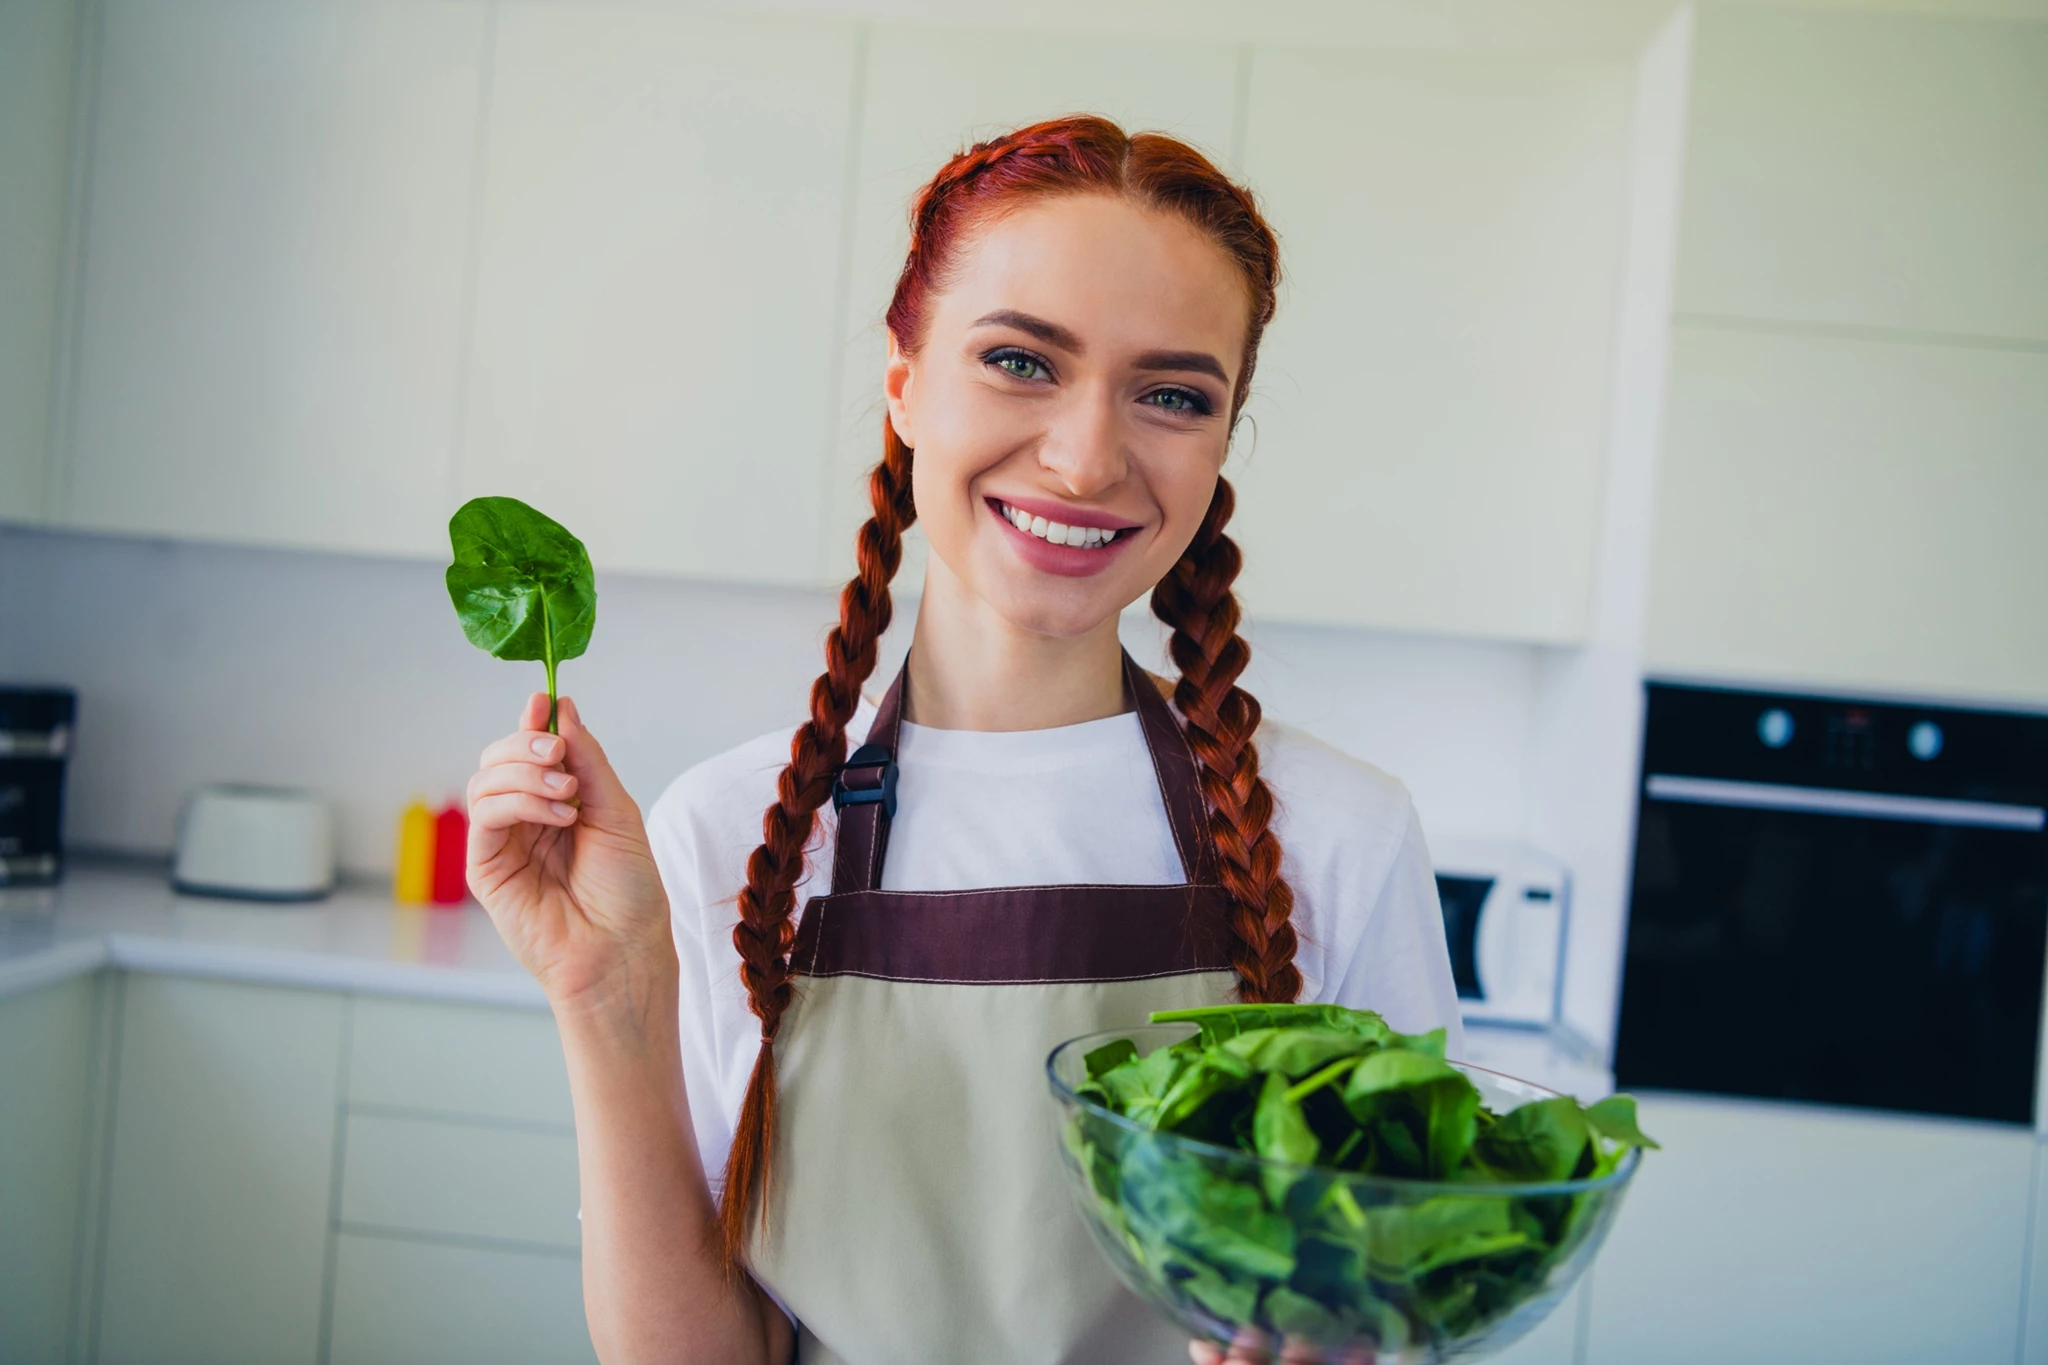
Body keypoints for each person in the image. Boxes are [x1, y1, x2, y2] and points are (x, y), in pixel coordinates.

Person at [465, 114, 1461, 1365]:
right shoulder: (726, 833)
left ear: (1220, 444)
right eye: (1020, 362)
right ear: (904, 378)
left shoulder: (1341, 837)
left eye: (1169, 394)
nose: (1086, 456)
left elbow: (1404, 1310)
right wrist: (603, 996)